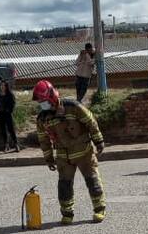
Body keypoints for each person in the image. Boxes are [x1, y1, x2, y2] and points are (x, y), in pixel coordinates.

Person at [33, 79, 106, 224]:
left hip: (83, 152)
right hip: (63, 156)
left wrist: (99, 141)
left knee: (92, 181)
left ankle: (99, 209)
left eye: (44, 100)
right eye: (40, 101)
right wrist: (48, 158)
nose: (43, 104)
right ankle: (67, 214)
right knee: (64, 185)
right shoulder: (43, 118)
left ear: (52, 96)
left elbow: (90, 122)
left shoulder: (73, 107)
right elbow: (44, 140)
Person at [0, 80, 19, 151]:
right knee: (3, 130)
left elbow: (13, 104)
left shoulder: (10, 94)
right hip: (0, 114)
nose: (2, 87)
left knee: (11, 129)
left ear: (6, 86)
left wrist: (9, 110)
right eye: (1, 85)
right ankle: (6, 145)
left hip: (7, 114)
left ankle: (16, 144)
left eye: (4, 85)